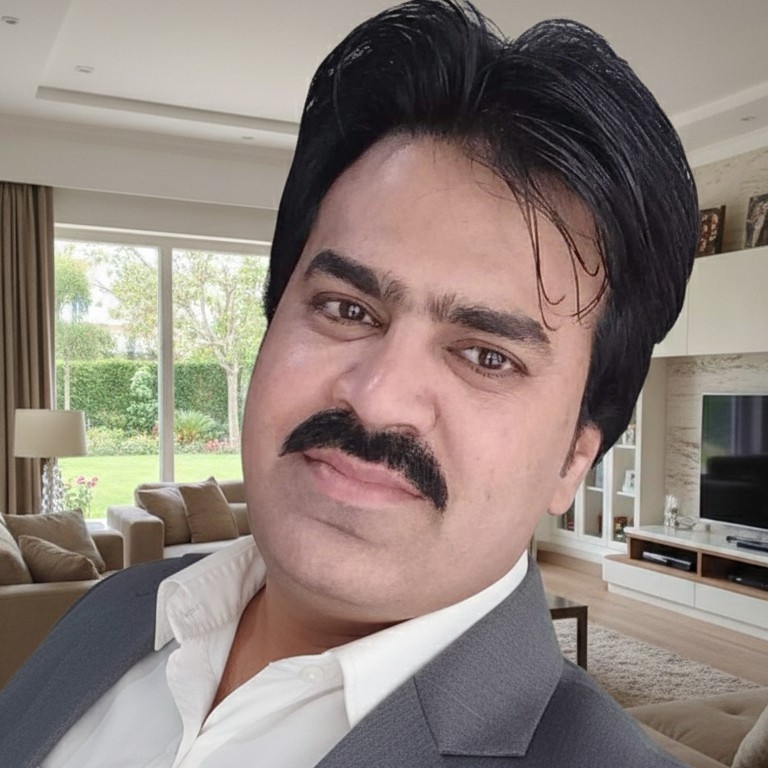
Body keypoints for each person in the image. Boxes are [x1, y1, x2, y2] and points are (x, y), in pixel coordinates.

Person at [0, 1, 698, 766]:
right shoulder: (115, 610)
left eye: (486, 356)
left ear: (574, 458)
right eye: (346, 309)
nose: (378, 397)